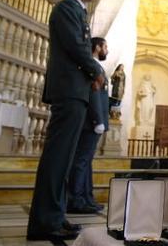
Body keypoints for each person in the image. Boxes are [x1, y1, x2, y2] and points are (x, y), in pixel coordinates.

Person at [26, 0, 104, 241]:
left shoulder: (77, 11)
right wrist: (95, 71)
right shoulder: (66, 8)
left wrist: (89, 75)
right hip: (69, 91)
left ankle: (56, 216)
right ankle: (44, 222)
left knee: (65, 159)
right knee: (57, 158)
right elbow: (75, 46)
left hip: (76, 90)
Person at [67, 37, 110, 214]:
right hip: (90, 121)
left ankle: (86, 198)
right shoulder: (92, 67)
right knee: (81, 161)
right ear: (97, 47)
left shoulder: (97, 67)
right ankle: (76, 200)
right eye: (105, 47)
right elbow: (93, 95)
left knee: (86, 161)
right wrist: (97, 120)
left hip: (93, 120)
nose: (107, 50)